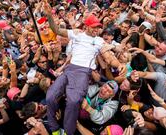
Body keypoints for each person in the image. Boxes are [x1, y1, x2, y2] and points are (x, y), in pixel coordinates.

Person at [42, 1, 126, 135]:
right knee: (50, 96)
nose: (96, 30)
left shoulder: (98, 40)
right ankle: (55, 129)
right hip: (69, 69)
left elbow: (109, 57)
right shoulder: (77, 34)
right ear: (86, 26)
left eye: (98, 27)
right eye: (94, 27)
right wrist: (49, 16)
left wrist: (119, 64)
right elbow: (56, 30)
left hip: (83, 72)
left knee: (74, 100)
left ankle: (68, 132)